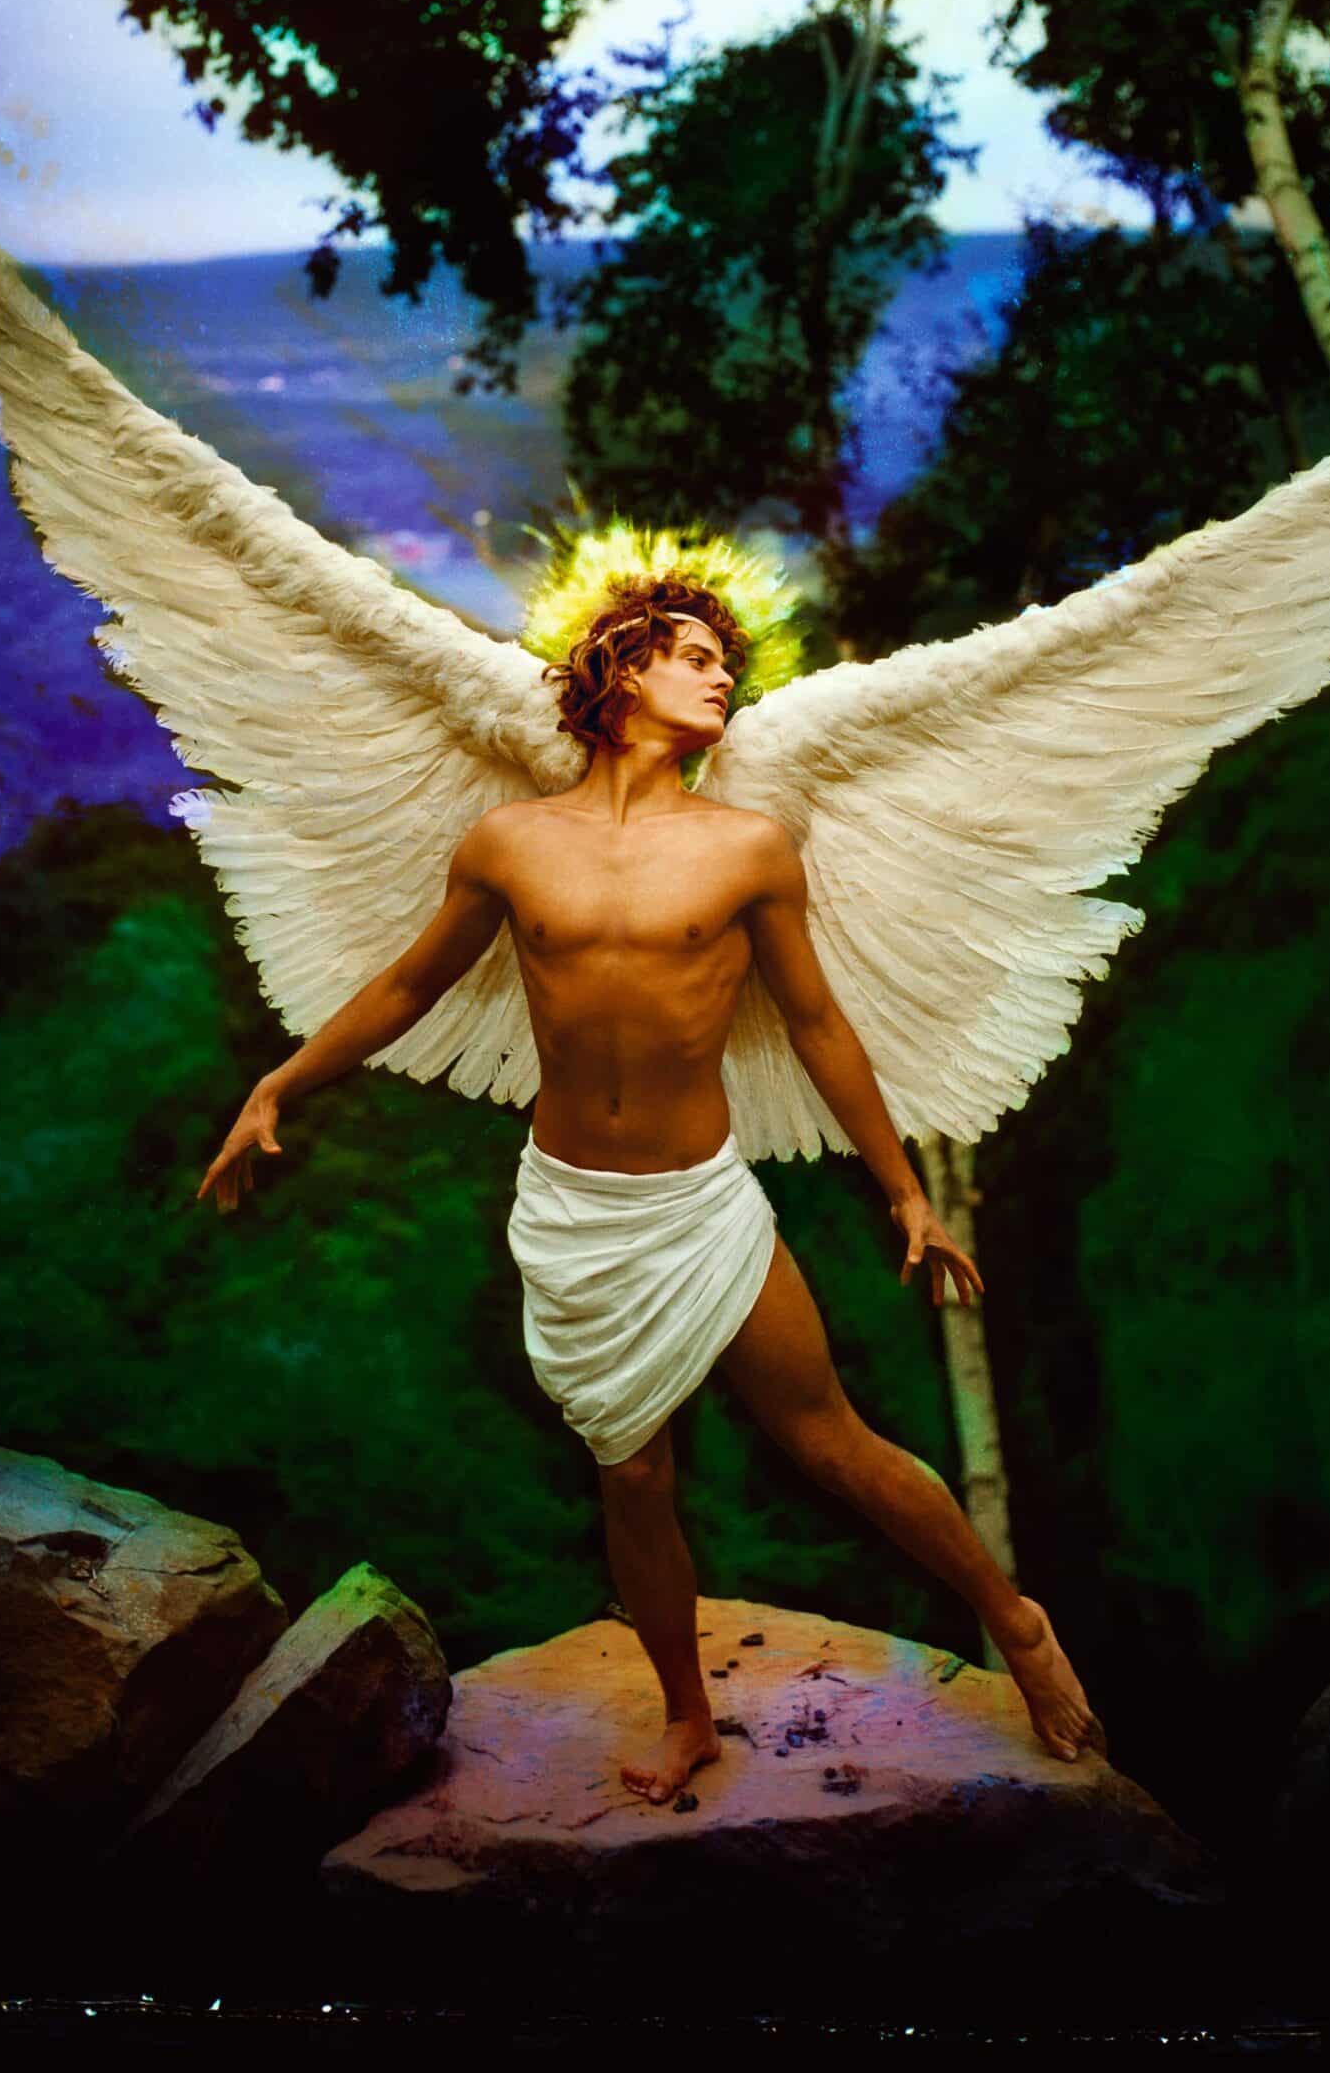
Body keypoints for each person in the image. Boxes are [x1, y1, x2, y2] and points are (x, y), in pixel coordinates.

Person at [198, 569, 1104, 1805]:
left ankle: (1016, 1619)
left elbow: (818, 1022)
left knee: (829, 1440)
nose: (722, 675)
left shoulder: (747, 847)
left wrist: (902, 1190)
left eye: (726, 661)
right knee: (629, 1473)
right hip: (572, 1208)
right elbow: (409, 984)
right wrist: (278, 1085)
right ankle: (686, 1714)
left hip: (699, 1204)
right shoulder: (509, 842)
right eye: (693, 655)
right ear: (621, 670)